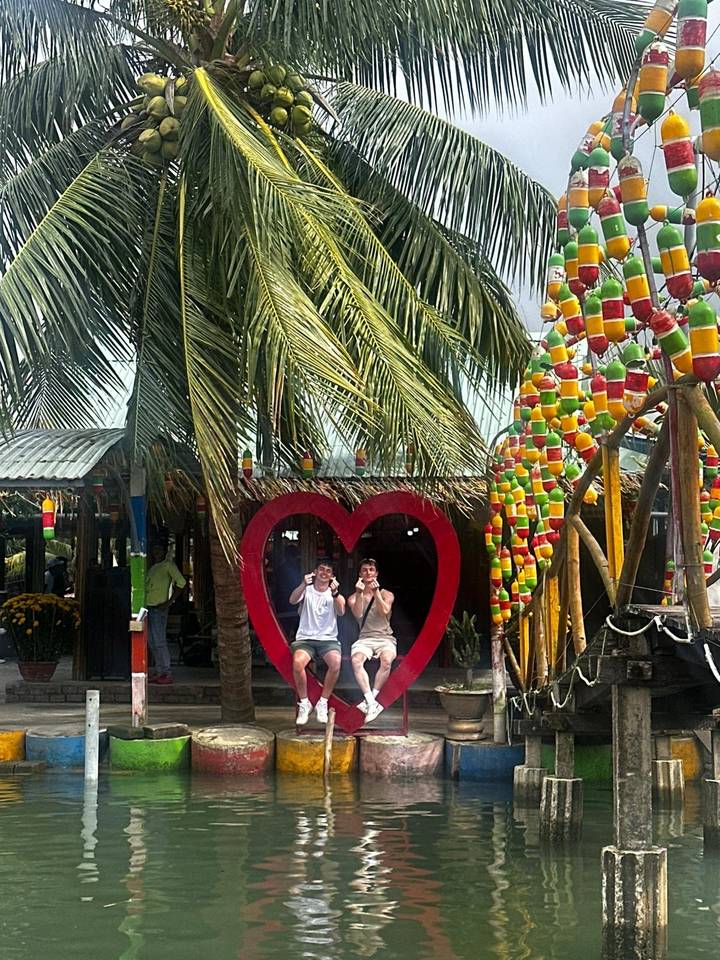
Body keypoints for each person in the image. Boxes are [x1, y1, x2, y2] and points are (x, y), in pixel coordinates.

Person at [288, 558, 345, 725]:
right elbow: (292, 600)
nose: (324, 573)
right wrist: (302, 585)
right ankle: (305, 703)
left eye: (328, 571)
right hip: (305, 638)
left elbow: (341, 611)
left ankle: (323, 702)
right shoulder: (307, 589)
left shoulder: (334, 593)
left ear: (332, 576)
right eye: (321, 569)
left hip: (327, 639)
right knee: (298, 663)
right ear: (315, 571)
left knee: (336, 663)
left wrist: (335, 593)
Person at [348, 559, 396, 724]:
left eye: (371, 570)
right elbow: (358, 614)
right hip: (365, 639)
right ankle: (371, 702)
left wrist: (376, 593)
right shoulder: (354, 597)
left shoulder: (387, 594)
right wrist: (360, 593)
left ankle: (370, 701)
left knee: (387, 660)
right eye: (364, 570)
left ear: (376, 574)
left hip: (385, 638)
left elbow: (384, 611)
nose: (368, 573)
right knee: (356, 661)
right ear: (360, 574)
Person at [145, 543, 186, 685]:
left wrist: (169, 602)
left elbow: (181, 583)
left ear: (164, 551)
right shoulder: (152, 568)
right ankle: (159, 671)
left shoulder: (168, 565)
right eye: (155, 549)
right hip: (148, 608)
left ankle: (166, 672)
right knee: (151, 641)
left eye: (159, 549)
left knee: (160, 641)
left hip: (159, 608)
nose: (156, 552)